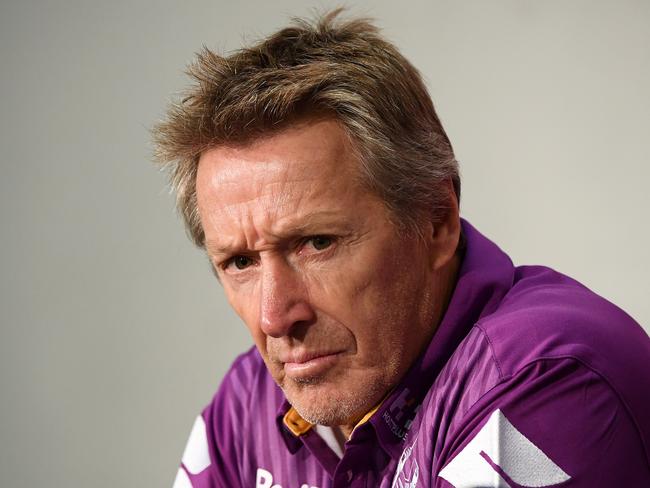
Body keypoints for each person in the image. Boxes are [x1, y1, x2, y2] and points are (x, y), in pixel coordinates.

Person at [153, 10, 650, 488]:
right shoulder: (249, 404)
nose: (275, 318)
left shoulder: (548, 379)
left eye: (316, 244)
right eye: (240, 262)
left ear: (436, 221)